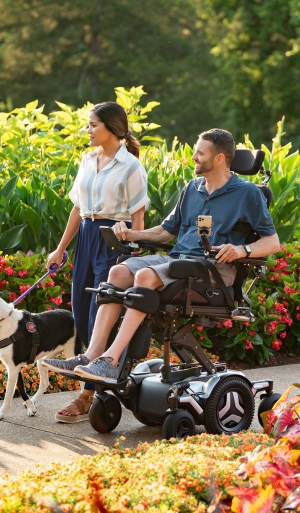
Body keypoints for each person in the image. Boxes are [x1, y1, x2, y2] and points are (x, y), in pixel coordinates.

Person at [42, 128, 280, 382]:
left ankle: (111, 361)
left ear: (219, 158)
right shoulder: (193, 188)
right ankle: (92, 356)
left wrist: (243, 249)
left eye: (200, 153)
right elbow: (166, 233)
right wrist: (130, 234)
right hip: (177, 261)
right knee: (118, 271)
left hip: (211, 270)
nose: (194, 158)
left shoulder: (248, 194)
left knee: (145, 276)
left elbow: (273, 242)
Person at [45, 101, 149, 422]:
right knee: (80, 310)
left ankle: (86, 397)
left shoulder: (131, 166)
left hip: (113, 240)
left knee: (96, 314)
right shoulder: (87, 159)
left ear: (112, 128)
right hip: (86, 239)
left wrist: (131, 255)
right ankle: (89, 379)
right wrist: (61, 248)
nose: (87, 131)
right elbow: (78, 208)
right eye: (87, 125)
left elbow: (138, 219)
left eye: (93, 125)